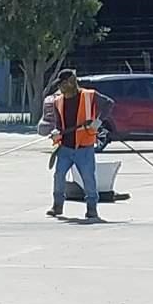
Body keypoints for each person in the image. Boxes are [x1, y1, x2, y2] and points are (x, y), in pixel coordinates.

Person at [42, 67, 103, 221]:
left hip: (84, 147)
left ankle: (91, 209)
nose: (60, 88)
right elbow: (58, 124)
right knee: (59, 175)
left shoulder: (89, 96)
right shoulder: (58, 101)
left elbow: (109, 104)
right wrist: (56, 131)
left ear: (71, 82)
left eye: (62, 84)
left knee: (88, 178)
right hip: (66, 147)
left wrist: (98, 122)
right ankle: (57, 206)